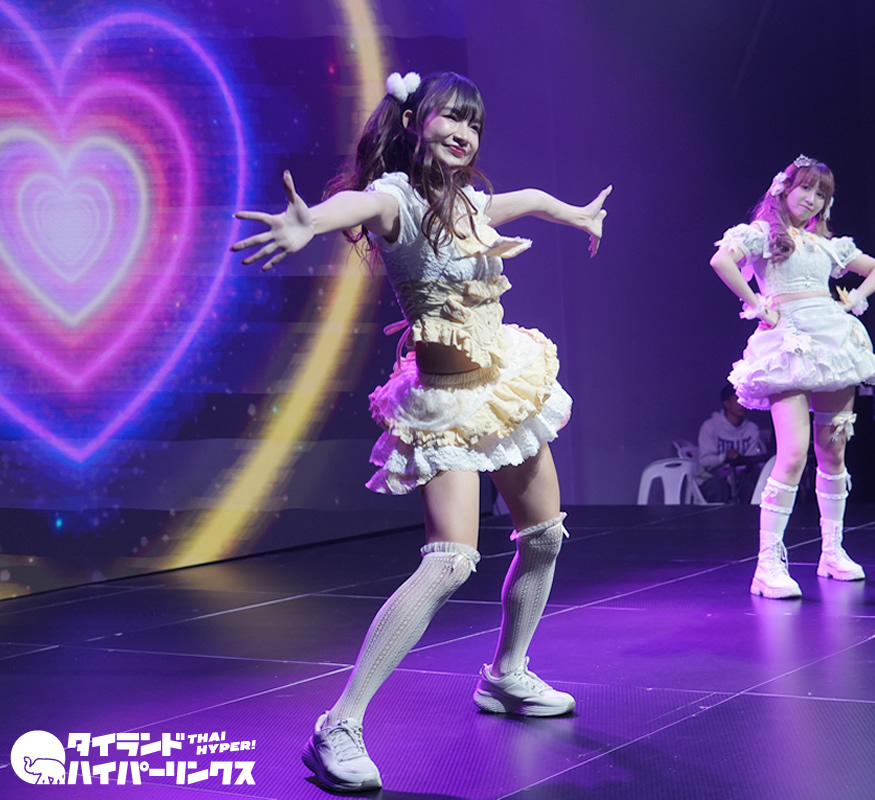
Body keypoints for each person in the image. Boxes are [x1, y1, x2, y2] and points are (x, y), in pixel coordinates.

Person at [232, 71, 611, 793]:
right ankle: (338, 725)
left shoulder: (470, 202)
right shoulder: (397, 199)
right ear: (414, 122)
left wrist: (575, 214)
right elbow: (357, 203)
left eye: (474, 124)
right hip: (443, 405)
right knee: (449, 562)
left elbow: (529, 199)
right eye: (450, 118)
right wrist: (310, 222)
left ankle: (506, 675)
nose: (464, 133)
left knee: (545, 535)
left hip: (502, 385)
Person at [709, 155, 875, 599]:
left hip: (832, 342)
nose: (812, 199)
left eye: (821, 194)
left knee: (834, 452)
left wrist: (853, 301)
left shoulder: (828, 245)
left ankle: (833, 551)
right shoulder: (761, 234)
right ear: (784, 189)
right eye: (806, 188)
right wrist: (757, 303)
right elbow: (721, 261)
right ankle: (768, 564)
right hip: (788, 343)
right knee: (793, 453)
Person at [697, 385, 767, 503]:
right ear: (727, 403)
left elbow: (751, 459)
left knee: (753, 482)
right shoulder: (710, 427)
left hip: (741, 477)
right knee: (718, 487)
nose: (743, 403)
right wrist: (725, 456)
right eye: (738, 399)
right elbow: (705, 461)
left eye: (745, 399)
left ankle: (749, 513)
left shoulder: (752, 429)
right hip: (712, 478)